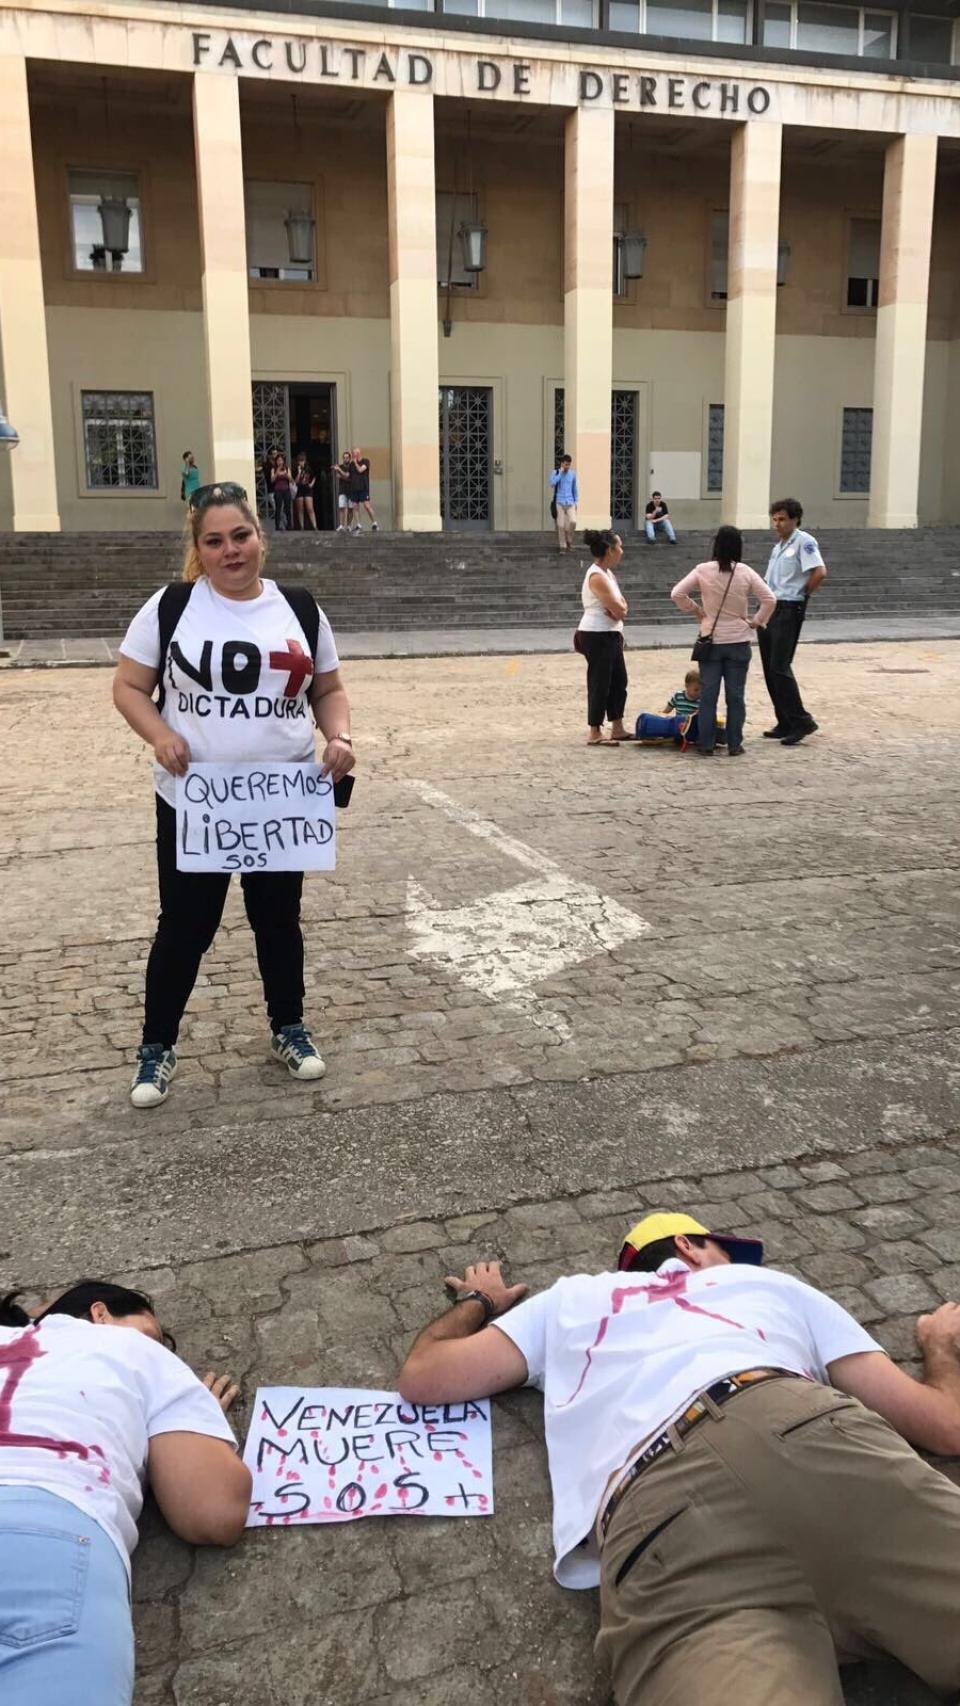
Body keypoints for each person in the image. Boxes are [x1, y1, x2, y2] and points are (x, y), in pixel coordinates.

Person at [397, 1211, 960, 1706]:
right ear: (689, 1247)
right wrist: (942, 1348)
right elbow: (943, 1426)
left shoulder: (570, 1301)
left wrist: (482, 1302)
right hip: (805, 1434)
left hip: (661, 1513)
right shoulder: (760, 1283)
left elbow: (424, 1377)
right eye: (721, 1247)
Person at [112, 481, 356, 1108]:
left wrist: (341, 736)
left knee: (277, 920)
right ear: (199, 549)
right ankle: (157, 1047)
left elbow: (327, 690)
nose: (231, 550)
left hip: (281, 799)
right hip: (197, 800)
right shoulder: (171, 607)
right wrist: (161, 735)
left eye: (240, 536)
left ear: (259, 538)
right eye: (215, 541)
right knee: (186, 926)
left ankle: (289, 1028)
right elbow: (130, 688)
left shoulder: (299, 608)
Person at [0, 1278, 249, 1705]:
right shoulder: (134, 1352)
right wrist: (191, 1421)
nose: (159, 1348)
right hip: (44, 1532)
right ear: (100, 1314)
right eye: (153, 1334)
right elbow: (212, 1513)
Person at [671, 526, 775, 757]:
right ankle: (735, 743)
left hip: (711, 641)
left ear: (716, 545)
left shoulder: (702, 570)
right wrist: (756, 621)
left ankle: (706, 744)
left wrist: (697, 610)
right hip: (738, 640)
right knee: (735, 696)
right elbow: (769, 599)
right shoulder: (745, 571)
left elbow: (677, 593)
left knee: (708, 696)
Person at [761, 497, 828, 745]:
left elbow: (819, 572)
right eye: (775, 519)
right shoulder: (778, 547)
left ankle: (801, 720)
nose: (777, 524)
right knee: (770, 668)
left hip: (789, 606)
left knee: (780, 665)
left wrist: (802, 595)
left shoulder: (805, 542)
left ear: (795, 519)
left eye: (782, 519)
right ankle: (784, 719)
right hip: (770, 607)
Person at [576, 528, 631, 747]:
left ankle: (617, 726)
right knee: (600, 682)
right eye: (619, 546)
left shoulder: (608, 574)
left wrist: (621, 609)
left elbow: (622, 606)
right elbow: (619, 609)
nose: (621, 551)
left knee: (619, 680)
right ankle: (595, 730)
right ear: (609, 550)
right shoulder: (597, 576)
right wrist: (621, 609)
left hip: (611, 632)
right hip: (597, 633)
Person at [550, 454, 579, 553]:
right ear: (562, 463)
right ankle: (563, 546)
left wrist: (576, 502)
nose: (567, 467)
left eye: (569, 465)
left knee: (573, 521)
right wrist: (560, 473)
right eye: (566, 464)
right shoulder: (556, 472)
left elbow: (574, 489)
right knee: (561, 525)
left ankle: (569, 541)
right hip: (560, 502)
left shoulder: (573, 474)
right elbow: (552, 483)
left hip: (570, 502)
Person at [347, 447, 379, 533]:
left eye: (354, 453)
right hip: (354, 488)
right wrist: (339, 471)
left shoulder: (366, 461)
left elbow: (360, 470)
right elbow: (348, 475)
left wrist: (355, 462)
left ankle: (374, 523)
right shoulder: (351, 464)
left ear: (358, 453)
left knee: (367, 506)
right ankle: (358, 525)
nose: (353, 455)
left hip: (363, 487)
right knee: (355, 507)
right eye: (352, 453)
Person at [293, 453, 317, 531]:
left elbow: (314, 476)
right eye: (300, 461)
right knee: (300, 509)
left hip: (307, 489)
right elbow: (295, 481)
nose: (301, 462)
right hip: (299, 489)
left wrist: (311, 484)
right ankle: (302, 527)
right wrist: (299, 473)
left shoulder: (309, 468)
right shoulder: (295, 469)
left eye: (302, 461)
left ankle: (314, 526)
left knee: (310, 508)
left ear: (305, 461)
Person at [271, 455, 294, 532]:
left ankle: (289, 525)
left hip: (286, 490)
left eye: (281, 460)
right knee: (278, 508)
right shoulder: (273, 469)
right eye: (278, 461)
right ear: (276, 462)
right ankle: (277, 526)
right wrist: (277, 472)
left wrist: (286, 474)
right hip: (278, 490)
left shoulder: (287, 468)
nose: (279, 462)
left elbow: (291, 480)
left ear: (283, 461)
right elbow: (272, 480)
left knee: (288, 508)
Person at [333, 450, 352, 532]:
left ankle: (349, 525)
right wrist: (340, 472)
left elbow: (347, 476)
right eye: (344, 458)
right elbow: (338, 476)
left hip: (351, 490)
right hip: (342, 490)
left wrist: (340, 471)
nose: (345, 459)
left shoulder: (352, 467)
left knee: (350, 509)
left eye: (347, 458)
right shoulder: (340, 466)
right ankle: (341, 525)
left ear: (349, 458)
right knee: (341, 507)